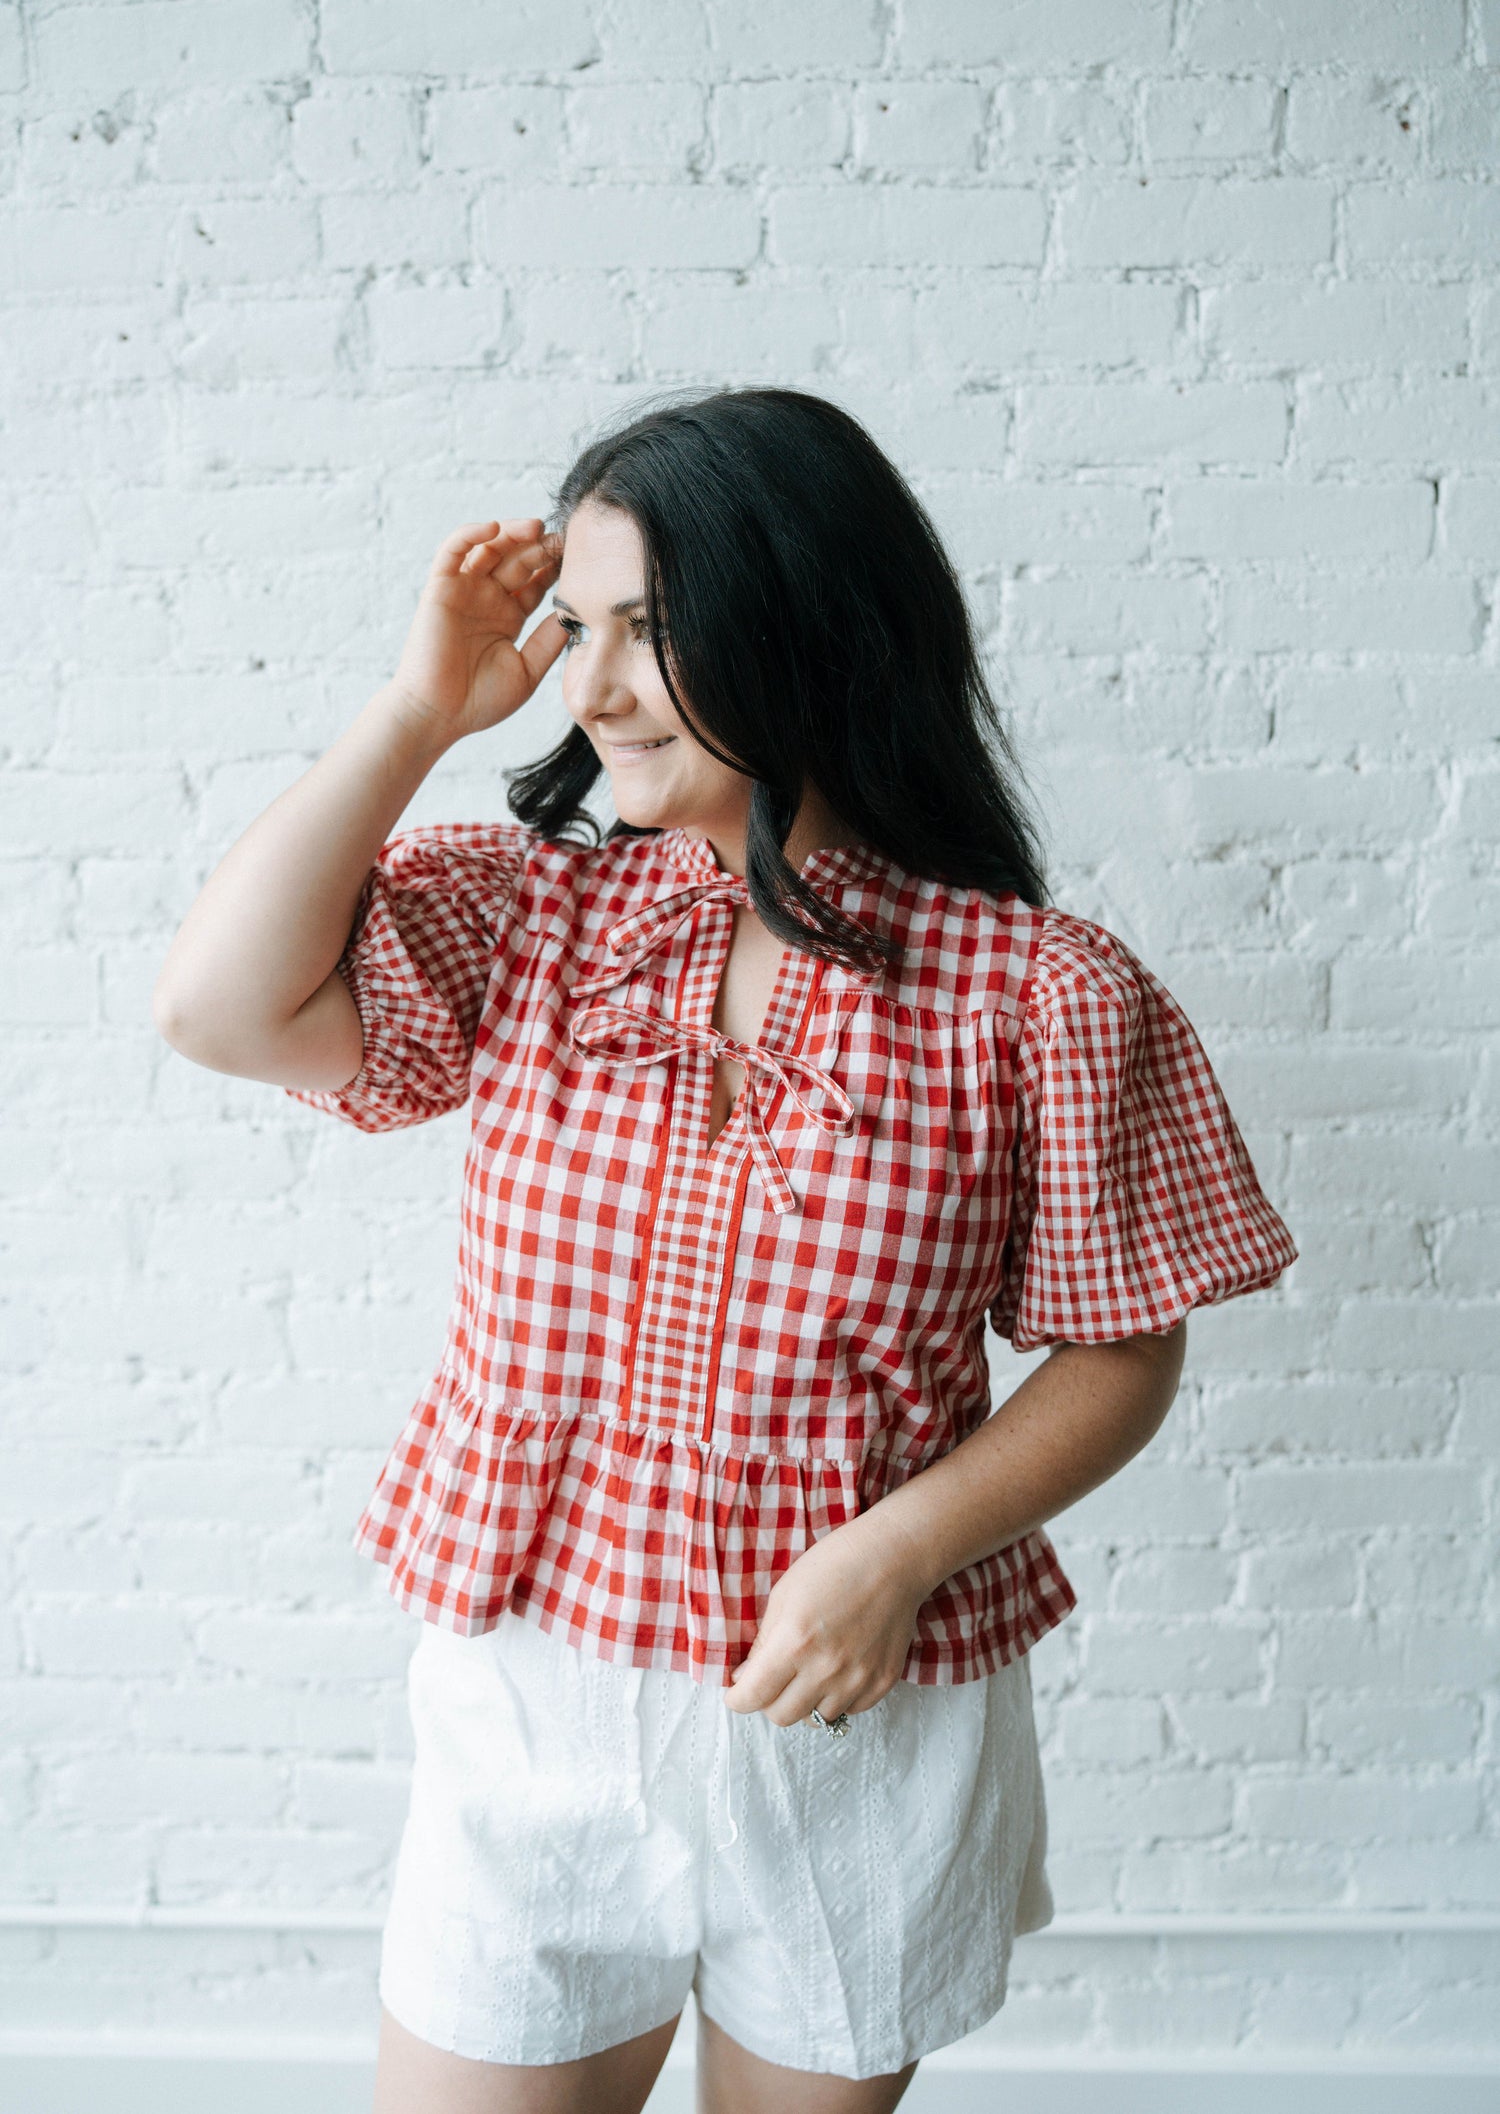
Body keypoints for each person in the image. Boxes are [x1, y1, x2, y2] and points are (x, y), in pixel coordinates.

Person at [153, 386, 1296, 2114]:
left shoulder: (1040, 994)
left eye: (653, 631)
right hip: (533, 1700)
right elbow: (220, 1009)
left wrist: (899, 1547)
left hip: (856, 1716)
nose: (590, 685)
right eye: (580, 627)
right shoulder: (542, 913)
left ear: (806, 622)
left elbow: (1124, 1345)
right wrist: (415, 711)